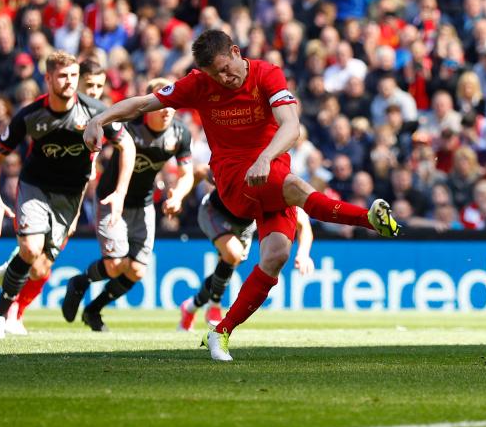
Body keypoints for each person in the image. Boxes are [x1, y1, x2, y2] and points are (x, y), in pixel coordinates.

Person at [82, 30, 399, 361]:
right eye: (214, 74)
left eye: (225, 68)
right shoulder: (198, 84)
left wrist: (265, 156)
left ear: (235, 52)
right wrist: (100, 118)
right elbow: (145, 103)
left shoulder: (267, 74)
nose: (223, 78)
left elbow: (292, 127)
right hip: (235, 178)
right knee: (297, 188)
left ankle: (220, 333)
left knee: (276, 256)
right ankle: (368, 219)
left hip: (270, 171)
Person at [0, 51, 135, 338]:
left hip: (70, 197)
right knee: (31, 249)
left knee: (39, 268)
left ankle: (16, 264)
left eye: (74, 76)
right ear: (48, 78)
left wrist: (120, 192)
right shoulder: (30, 115)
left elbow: (127, 145)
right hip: (35, 187)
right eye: (62, 76)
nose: (69, 82)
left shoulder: (95, 112)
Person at [61, 79, 195, 332]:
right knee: (114, 265)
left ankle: (93, 310)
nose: (167, 110)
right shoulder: (129, 127)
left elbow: (187, 173)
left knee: (136, 270)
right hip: (112, 198)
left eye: (172, 105)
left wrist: (178, 195)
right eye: (162, 104)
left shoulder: (180, 133)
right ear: (148, 106)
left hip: (143, 203)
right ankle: (80, 282)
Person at [178, 191, 314, 331]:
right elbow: (204, 172)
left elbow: (303, 224)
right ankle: (214, 305)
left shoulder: (282, 189)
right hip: (215, 212)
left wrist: (303, 253)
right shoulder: (244, 173)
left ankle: (190, 307)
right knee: (232, 255)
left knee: (225, 268)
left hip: (246, 224)